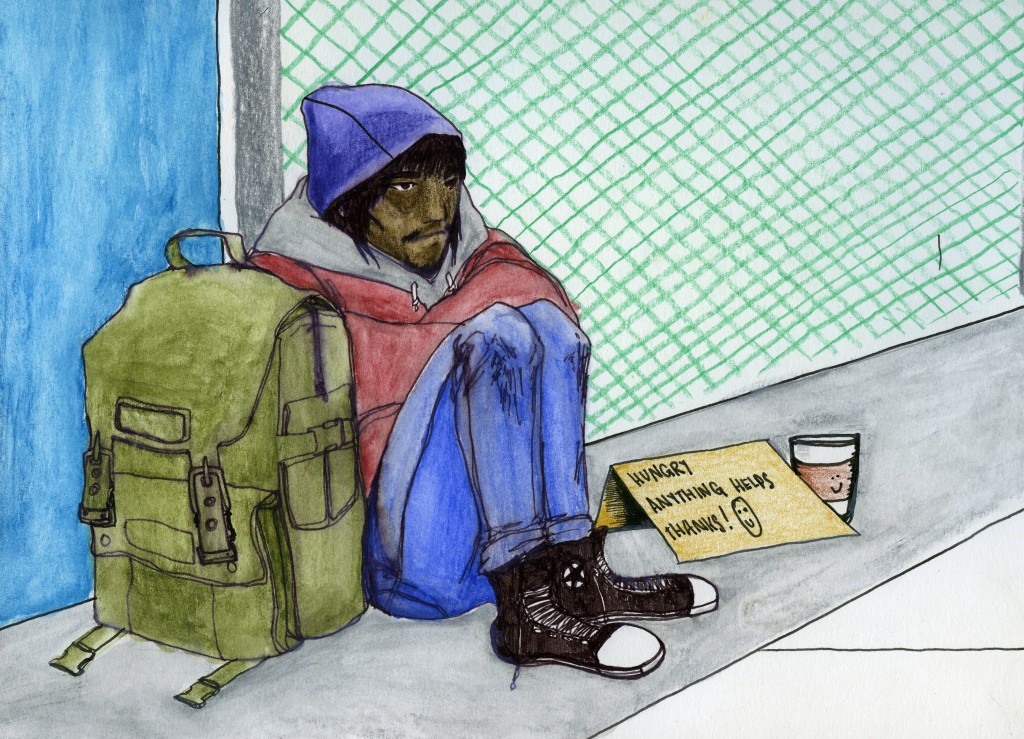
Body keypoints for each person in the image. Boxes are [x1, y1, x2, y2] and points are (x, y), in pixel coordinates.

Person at [249, 84, 718, 678]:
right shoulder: (292, 284)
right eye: (404, 186)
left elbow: (551, 320)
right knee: (496, 333)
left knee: (550, 327)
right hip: (405, 567)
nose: (435, 208)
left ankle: (574, 578)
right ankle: (528, 611)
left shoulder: (482, 257)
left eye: (447, 180)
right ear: (349, 198)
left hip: (482, 560)